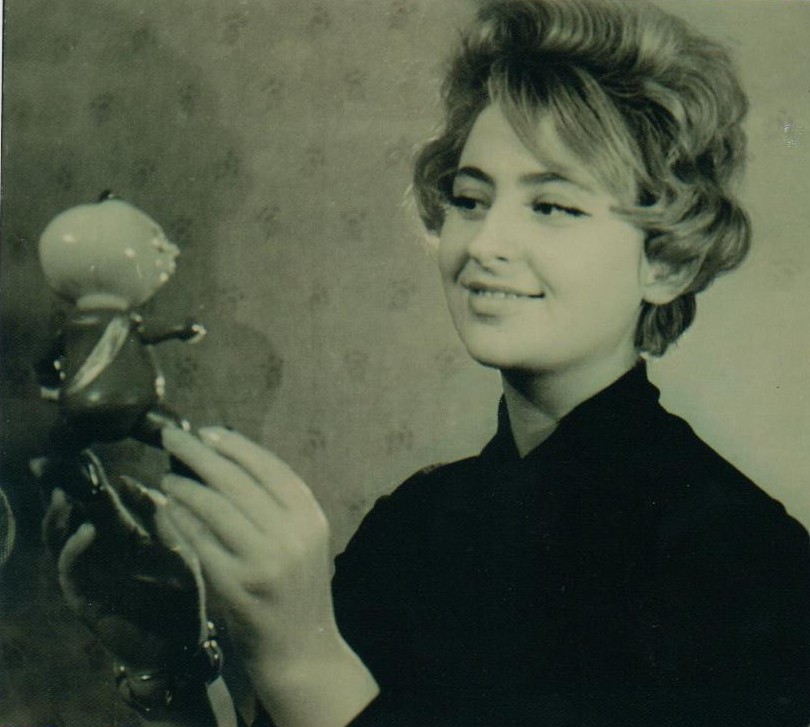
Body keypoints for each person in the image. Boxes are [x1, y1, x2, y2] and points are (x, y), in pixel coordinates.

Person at [51, 1, 810, 726]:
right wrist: (170, 661)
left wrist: (301, 657)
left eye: (552, 206)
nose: (484, 244)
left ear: (668, 260)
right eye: (470, 199)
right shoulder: (415, 526)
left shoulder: (745, 559)